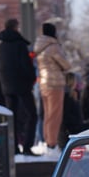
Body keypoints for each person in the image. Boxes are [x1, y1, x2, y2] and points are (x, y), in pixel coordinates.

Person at [0, 18, 39, 154]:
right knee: (32, 114)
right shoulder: (20, 45)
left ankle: (13, 147)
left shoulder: (0, 47)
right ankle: (27, 146)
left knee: (11, 117)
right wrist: (31, 79)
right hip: (22, 85)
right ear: (15, 28)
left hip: (6, 86)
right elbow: (26, 66)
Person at [34, 22, 72, 152]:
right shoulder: (53, 47)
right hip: (55, 83)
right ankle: (52, 143)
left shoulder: (38, 46)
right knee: (55, 114)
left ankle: (46, 140)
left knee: (47, 114)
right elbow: (66, 65)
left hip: (43, 83)